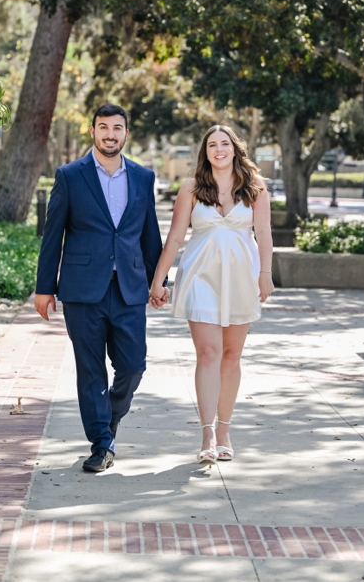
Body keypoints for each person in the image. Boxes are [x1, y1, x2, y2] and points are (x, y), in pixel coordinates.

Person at [35, 103, 164, 473]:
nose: (110, 134)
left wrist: (159, 281)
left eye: (117, 127)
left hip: (130, 288)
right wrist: (45, 288)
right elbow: (52, 236)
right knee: (90, 369)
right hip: (82, 290)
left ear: (126, 133)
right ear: (92, 131)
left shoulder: (143, 177)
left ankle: (109, 418)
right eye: (103, 127)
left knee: (134, 365)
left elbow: (149, 234)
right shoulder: (70, 175)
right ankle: (101, 444)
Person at [148, 124, 274, 465]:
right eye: (212, 145)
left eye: (224, 144)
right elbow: (174, 238)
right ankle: (206, 433)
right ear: (205, 152)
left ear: (235, 149)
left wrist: (266, 275)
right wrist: (159, 281)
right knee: (208, 354)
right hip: (200, 277)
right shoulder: (191, 188)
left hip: (241, 279)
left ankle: (225, 431)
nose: (218, 149)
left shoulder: (255, 188)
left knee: (231, 356)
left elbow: (263, 233)